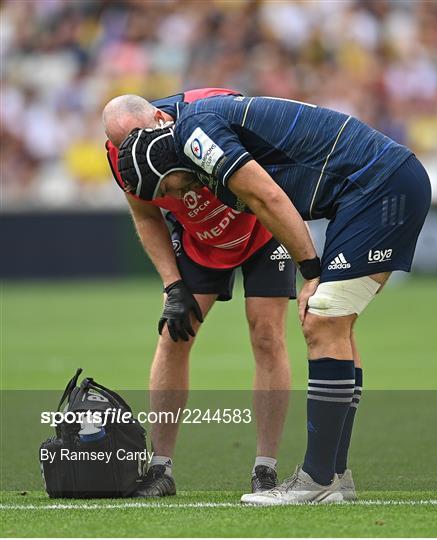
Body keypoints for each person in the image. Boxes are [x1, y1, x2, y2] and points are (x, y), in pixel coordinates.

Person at [116, 94, 431, 504]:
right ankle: (334, 476)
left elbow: (268, 198)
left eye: (172, 184)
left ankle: (317, 479)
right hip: (370, 188)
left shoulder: (196, 134)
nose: (178, 194)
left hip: (378, 187)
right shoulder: (187, 134)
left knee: (324, 320)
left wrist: (311, 272)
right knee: (335, 323)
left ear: (172, 158)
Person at [102, 89, 298, 497]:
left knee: (267, 335)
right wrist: (172, 286)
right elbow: (145, 214)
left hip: (262, 227)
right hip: (199, 241)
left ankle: (265, 469)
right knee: (173, 334)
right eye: (124, 147)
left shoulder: (211, 107)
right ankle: (161, 469)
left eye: (138, 139)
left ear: (159, 117)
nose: (132, 151)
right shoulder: (119, 156)